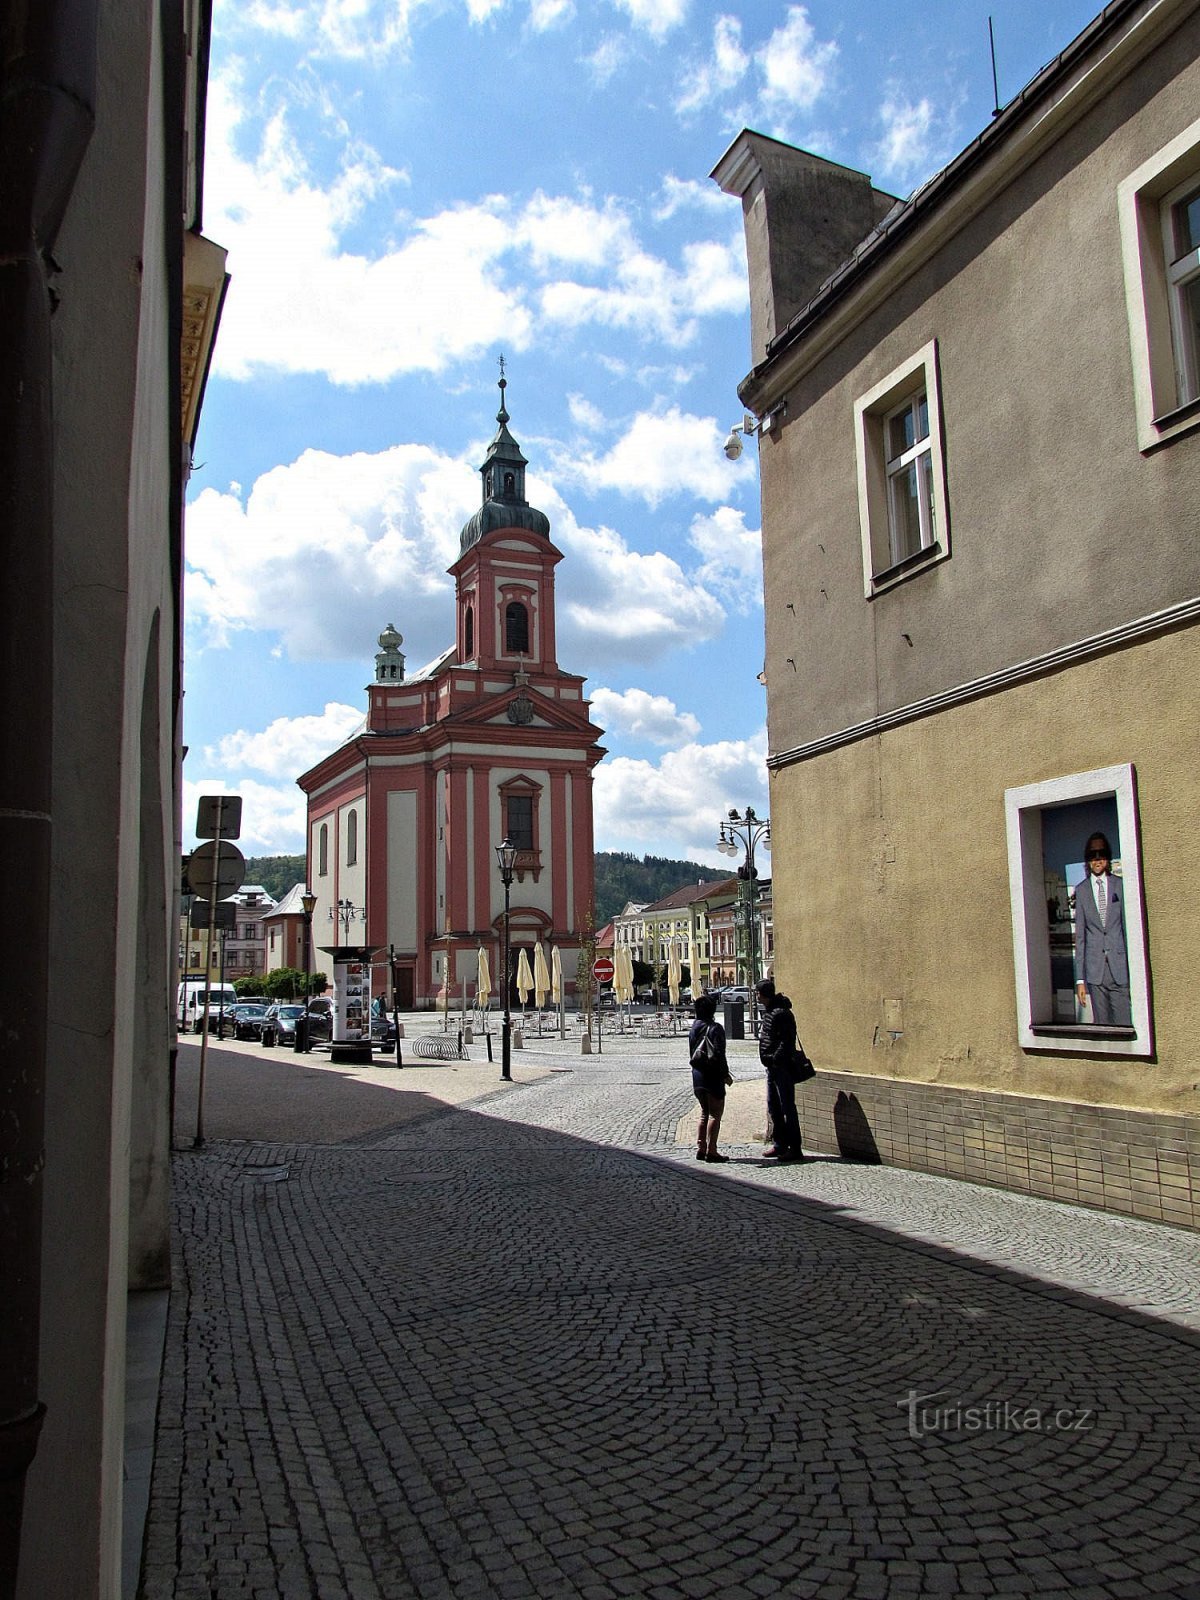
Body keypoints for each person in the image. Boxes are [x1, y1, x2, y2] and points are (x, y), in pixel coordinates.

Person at [1073, 832, 1131, 1025]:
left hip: (1119, 967)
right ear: (1088, 861)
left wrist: (1134, 970)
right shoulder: (1081, 891)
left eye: (1101, 854)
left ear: (1107, 857)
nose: (1097, 860)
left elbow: (1127, 929)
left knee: (1124, 1023)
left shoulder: (1119, 886)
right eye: (1092, 856)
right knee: (1102, 1026)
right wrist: (1080, 980)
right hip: (1095, 971)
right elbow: (1080, 937)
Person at [755, 978, 804, 1161]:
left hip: (781, 1067)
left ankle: (795, 1147)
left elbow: (786, 1041)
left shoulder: (781, 1013)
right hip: (772, 1067)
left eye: (758, 993)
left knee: (787, 1107)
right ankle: (780, 1144)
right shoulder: (770, 1012)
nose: (757, 996)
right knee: (774, 1106)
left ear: (764, 994)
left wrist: (775, 1059)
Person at [688, 994, 732, 1163]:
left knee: (704, 1112)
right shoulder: (715, 1028)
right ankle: (712, 1150)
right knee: (715, 1113)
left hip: (697, 1074)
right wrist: (725, 1074)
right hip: (712, 1075)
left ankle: (701, 1148)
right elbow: (720, 1055)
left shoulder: (694, 1027)